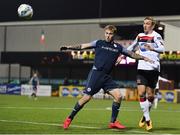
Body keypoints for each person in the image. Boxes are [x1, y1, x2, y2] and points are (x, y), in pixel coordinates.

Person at [60, 25, 154, 130]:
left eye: (110, 34)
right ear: (105, 33)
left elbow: (131, 54)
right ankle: (69, 118)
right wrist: (68, 47)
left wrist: (143, 57)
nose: (108, 36)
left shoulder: (118, 47)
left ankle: (113, 122)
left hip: (106, 77)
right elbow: (82, 46)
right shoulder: (99, 43)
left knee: (118, 96)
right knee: (86, 98)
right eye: (107, 33)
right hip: (96, 74)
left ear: (114, 35)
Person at [118, 16, 165, 131]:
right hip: (142, 68)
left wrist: (153, 48)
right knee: (142, 93)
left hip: (153, 69)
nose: (145, 25)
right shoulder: (139, 36)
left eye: (148, 23)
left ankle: (145, 115)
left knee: (150, 96)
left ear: (152, 25)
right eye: (144, 23)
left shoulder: (156, 36)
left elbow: (162, 49)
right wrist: (122, 55)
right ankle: (148, 120)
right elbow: (131, 47)